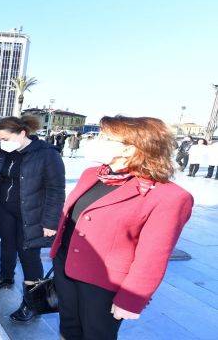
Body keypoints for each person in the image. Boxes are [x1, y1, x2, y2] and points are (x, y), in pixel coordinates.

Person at [50, 116, 193, 340]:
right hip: (66, 266)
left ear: (132, 148)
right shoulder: (93, 175)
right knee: (68, 328)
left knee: (97, 335)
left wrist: (132, 299)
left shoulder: (169, 196)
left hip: (104, 284)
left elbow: (153, 257)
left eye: (107, 138)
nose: (97, 140)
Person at [0, 116, 65, 323]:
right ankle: (5, 276)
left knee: (29, 256)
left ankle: (32, 304)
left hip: (32, 215)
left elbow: (56, 191)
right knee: (7, 245)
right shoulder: (7, 151)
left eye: (5, 138)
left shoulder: (47, 155)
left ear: (22, 133)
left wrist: (50, 222)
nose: (2, 144)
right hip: (5, 209)